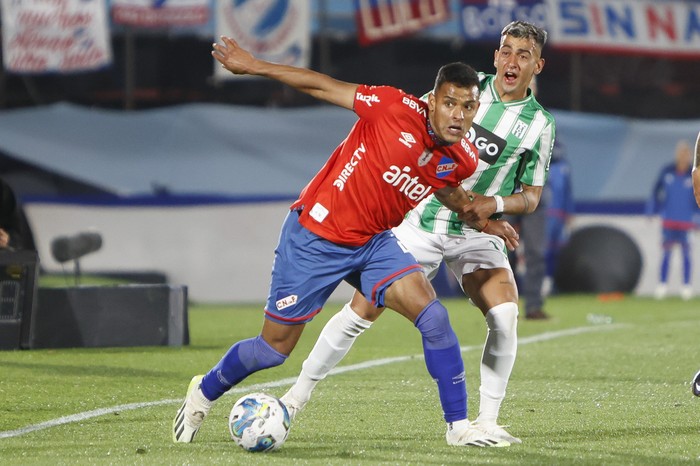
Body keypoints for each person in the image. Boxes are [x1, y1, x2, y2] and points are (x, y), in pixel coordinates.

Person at [173, 36, 520, 447]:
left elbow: (448, 191)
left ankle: (458, 427)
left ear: (476, 109)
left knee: (435, 319)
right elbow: (321, 84)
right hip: (314, 238)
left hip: (372, 244)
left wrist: (485, 222)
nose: (457, 115)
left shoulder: (460, 157)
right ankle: (203, 393)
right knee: (272, 351)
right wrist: (254, 65)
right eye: (449, 103)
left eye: (467, 106)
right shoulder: (391, 107)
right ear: (432, 102)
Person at [281, 20, 555, 445]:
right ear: (496, 55)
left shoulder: (539, 125)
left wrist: (494, 205)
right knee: (359, 313)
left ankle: (486, 421)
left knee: (504, 315)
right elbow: (408, 127)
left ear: (538, 65)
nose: (511, 61)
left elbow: (532, 197)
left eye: (523, 54)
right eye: (505, 50)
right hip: (422, 222)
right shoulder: (462, 91)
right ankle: (294, 399)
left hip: (476, 231)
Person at [646, 139, 699, 300]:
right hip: (669, 221)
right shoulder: (667, 171)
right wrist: (652, 210)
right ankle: (662, 285)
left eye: (686, 153)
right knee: (666, 253)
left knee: (686, 254)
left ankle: (686, 287)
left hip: (687, 221)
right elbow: (655, 191)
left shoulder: (694, 174)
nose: (683, 156)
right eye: (680, 152)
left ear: (690, 155)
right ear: (676, 154)